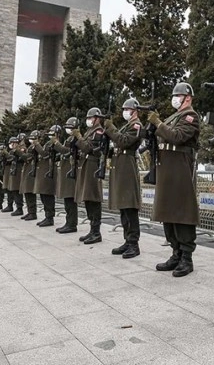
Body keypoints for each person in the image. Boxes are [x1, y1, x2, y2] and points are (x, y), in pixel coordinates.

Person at [147, 83, 201, 276]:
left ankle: (186, 257)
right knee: (168, 212)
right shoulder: (173, 116)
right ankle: (175, 252)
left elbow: (177, 136)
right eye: (174, 95)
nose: (175, 98)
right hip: (167, 169)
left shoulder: (191, 116)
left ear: (188, 97)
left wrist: (158, 123)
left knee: (182, 213)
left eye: (178, 95)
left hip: (180, 169)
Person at [104, 98, 144, 259]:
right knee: (123, 207)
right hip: (120, 167)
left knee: (129, 206)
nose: (125, 112)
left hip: (128, 167)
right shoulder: (127, 126)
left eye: (127, 109)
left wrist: (110, 128)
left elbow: (124, 141)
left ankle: (134, 243)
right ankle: (127, 240)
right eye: (124, 109)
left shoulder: (136, 126)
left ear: (135, 111)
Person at [72, 107, 106, 244]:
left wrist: (79, 136)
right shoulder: (89, 131)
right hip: (85, 165)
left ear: (97, 118)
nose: (88, 120)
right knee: (87, 198)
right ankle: (92, 230)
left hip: (93, 165)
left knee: (93, 198)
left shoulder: (98, 131)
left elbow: (88, 148)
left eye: (90, 118)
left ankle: (96, 232)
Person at [52, 118, 80, 234]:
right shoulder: (70, 138)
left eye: (70, 127)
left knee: (70, 199)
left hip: (71, 171)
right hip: (67, 171)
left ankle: (72, 224)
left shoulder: (75, 138)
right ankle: (69, 222)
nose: (68, 129)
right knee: (67, 200)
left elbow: (67, 151)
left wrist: (56, 143)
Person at [34, 127, 58, 227]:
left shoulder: (55, 143)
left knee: (47, 195)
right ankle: (47, 216)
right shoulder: (48, 143)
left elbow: (45, 155)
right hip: (44, 171)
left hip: (49, 171)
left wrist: (37, 145)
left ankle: (50, 217)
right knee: (43, 195)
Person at [18, 131, 39, 221]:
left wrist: (19, 152)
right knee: (27, 192)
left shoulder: (35, 146)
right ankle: (30, 212)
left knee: (29, 192)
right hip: (28, 169)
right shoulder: (30, 146)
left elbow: (27, 157)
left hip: (31, 170)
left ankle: (32, 213)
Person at [3, 134, 24, 216]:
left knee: (16, 190)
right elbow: (8, 160)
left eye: (12, 143)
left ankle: (19, 208)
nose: (11, 145)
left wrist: (6, 154)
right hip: (13, 171)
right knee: (12, 190)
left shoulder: (19, 150)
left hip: (18, 171)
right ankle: (11, 205)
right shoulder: (12, 151)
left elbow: (14, 158)